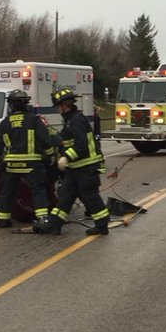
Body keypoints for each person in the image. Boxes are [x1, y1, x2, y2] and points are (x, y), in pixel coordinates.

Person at [0, 89, 60, 230]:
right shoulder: (34, 120)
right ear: (26, 103)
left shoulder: (5, 122)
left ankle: (2, 220)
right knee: (38, 189)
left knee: (8, 191)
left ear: (11, 105)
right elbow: (45, 139)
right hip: (32, 163)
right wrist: (51, 155)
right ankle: (42, 218)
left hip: (11, 165)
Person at [44, 88, 110, 236]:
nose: (57, 109)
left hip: (86, 167)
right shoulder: (70, 120)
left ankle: (102, 225)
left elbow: (81, 144)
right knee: (65, 196)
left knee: (90, 197)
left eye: (58, 106)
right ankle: (55, 225)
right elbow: (67, 140)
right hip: (75, 168)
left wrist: (66, 157)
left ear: (64, 105)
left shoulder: (76, 120)